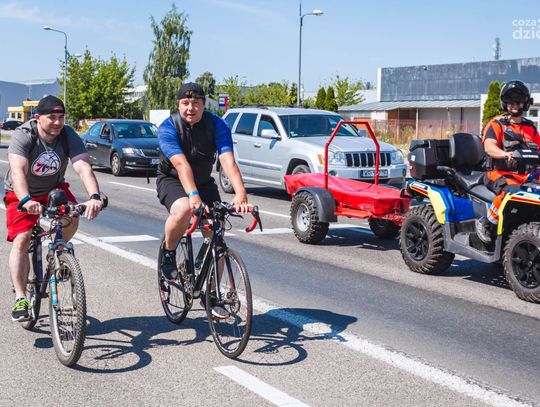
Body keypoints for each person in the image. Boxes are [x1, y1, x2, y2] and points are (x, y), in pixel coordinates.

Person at [4, 95, 104, 322]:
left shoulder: (67, 135)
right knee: (22, 239)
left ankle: (59, 253)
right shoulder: (24, 134)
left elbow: (83, 167)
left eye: (61, 117)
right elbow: (18, 171)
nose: (58, 122)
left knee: (72, 216)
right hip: (22, 193)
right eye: (52, 117)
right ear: (37, 118)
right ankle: (20, 297)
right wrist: (26, 200)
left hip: (53, 189)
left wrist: (94, 197)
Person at [156, 82, 249, 318]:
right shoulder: (168, 127)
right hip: (172, 180)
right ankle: (168, 253)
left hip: (204, 182)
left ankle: (212, 295)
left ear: (204, 105)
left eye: (196, 103)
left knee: (216, 233)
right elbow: (180, 164)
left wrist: (240, 193)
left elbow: (227, 160)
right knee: (184, 209)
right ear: (178, 104)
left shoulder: (217, 125)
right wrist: (193, 196)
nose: (190, 108)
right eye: (185, 103)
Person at [476, 80, 539, 243]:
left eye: (519, 100)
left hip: (526, 175)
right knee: (511, 191)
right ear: (504, 103)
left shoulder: (530, 127)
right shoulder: (497, 124)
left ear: (526, 103)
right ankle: (487, 223)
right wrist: (505, 154)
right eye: (511, 100)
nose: (514, 104)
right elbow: (489, 147)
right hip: (498, 173)